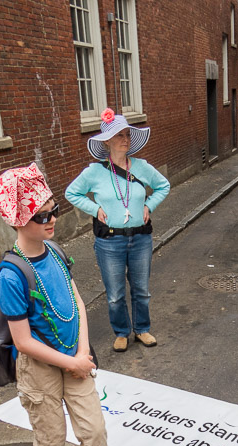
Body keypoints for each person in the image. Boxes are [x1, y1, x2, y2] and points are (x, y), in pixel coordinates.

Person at [0, 163, 115, 446]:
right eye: (41, 214)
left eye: (54, 209)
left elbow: (76, 299)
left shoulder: (56, 251)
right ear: (17, 220)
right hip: (39, 368)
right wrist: (71, 360)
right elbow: (24, 342)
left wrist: (81, 353)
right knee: (50, 438)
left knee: (93, 432)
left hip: (74, 358)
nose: (52, 219)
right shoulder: (12, 275)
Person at [65, 108, 170, 352]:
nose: (125, 139)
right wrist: (93, 209)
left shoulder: (142, 167)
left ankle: (142, 329)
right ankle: (122, 332)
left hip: (141, 238)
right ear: (107, 142)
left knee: (141, 290)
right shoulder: (94, 172)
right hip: (109, 242)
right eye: (119, 136)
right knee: (115, 294)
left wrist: (149, 204)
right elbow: (72, 192)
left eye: (127, 135)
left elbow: (163, 185)